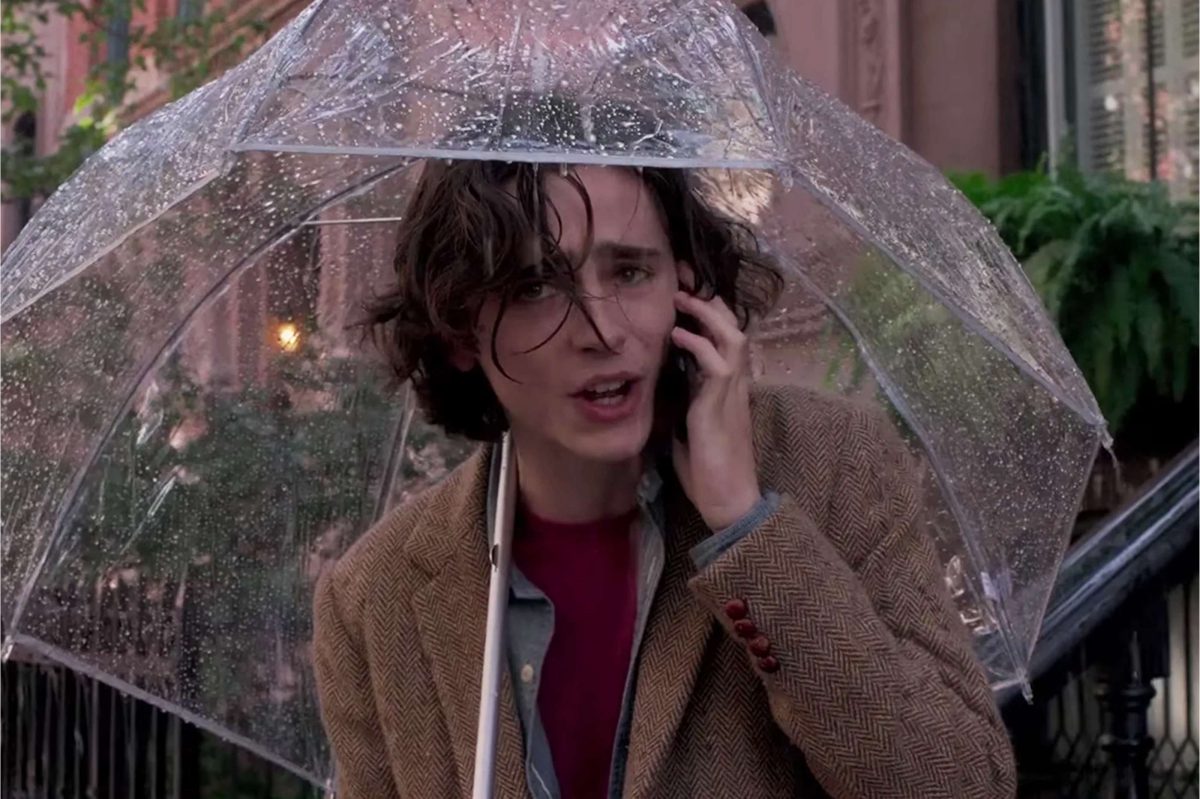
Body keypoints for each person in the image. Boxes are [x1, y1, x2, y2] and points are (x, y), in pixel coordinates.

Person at [311, 156, 1017, 798]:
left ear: (687, 288)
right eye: (536, 286)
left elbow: (963, 784)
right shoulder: (373, 597)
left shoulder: (829, 463)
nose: (601, 331)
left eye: (629, 272)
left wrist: (748, 528)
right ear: (460, 331)